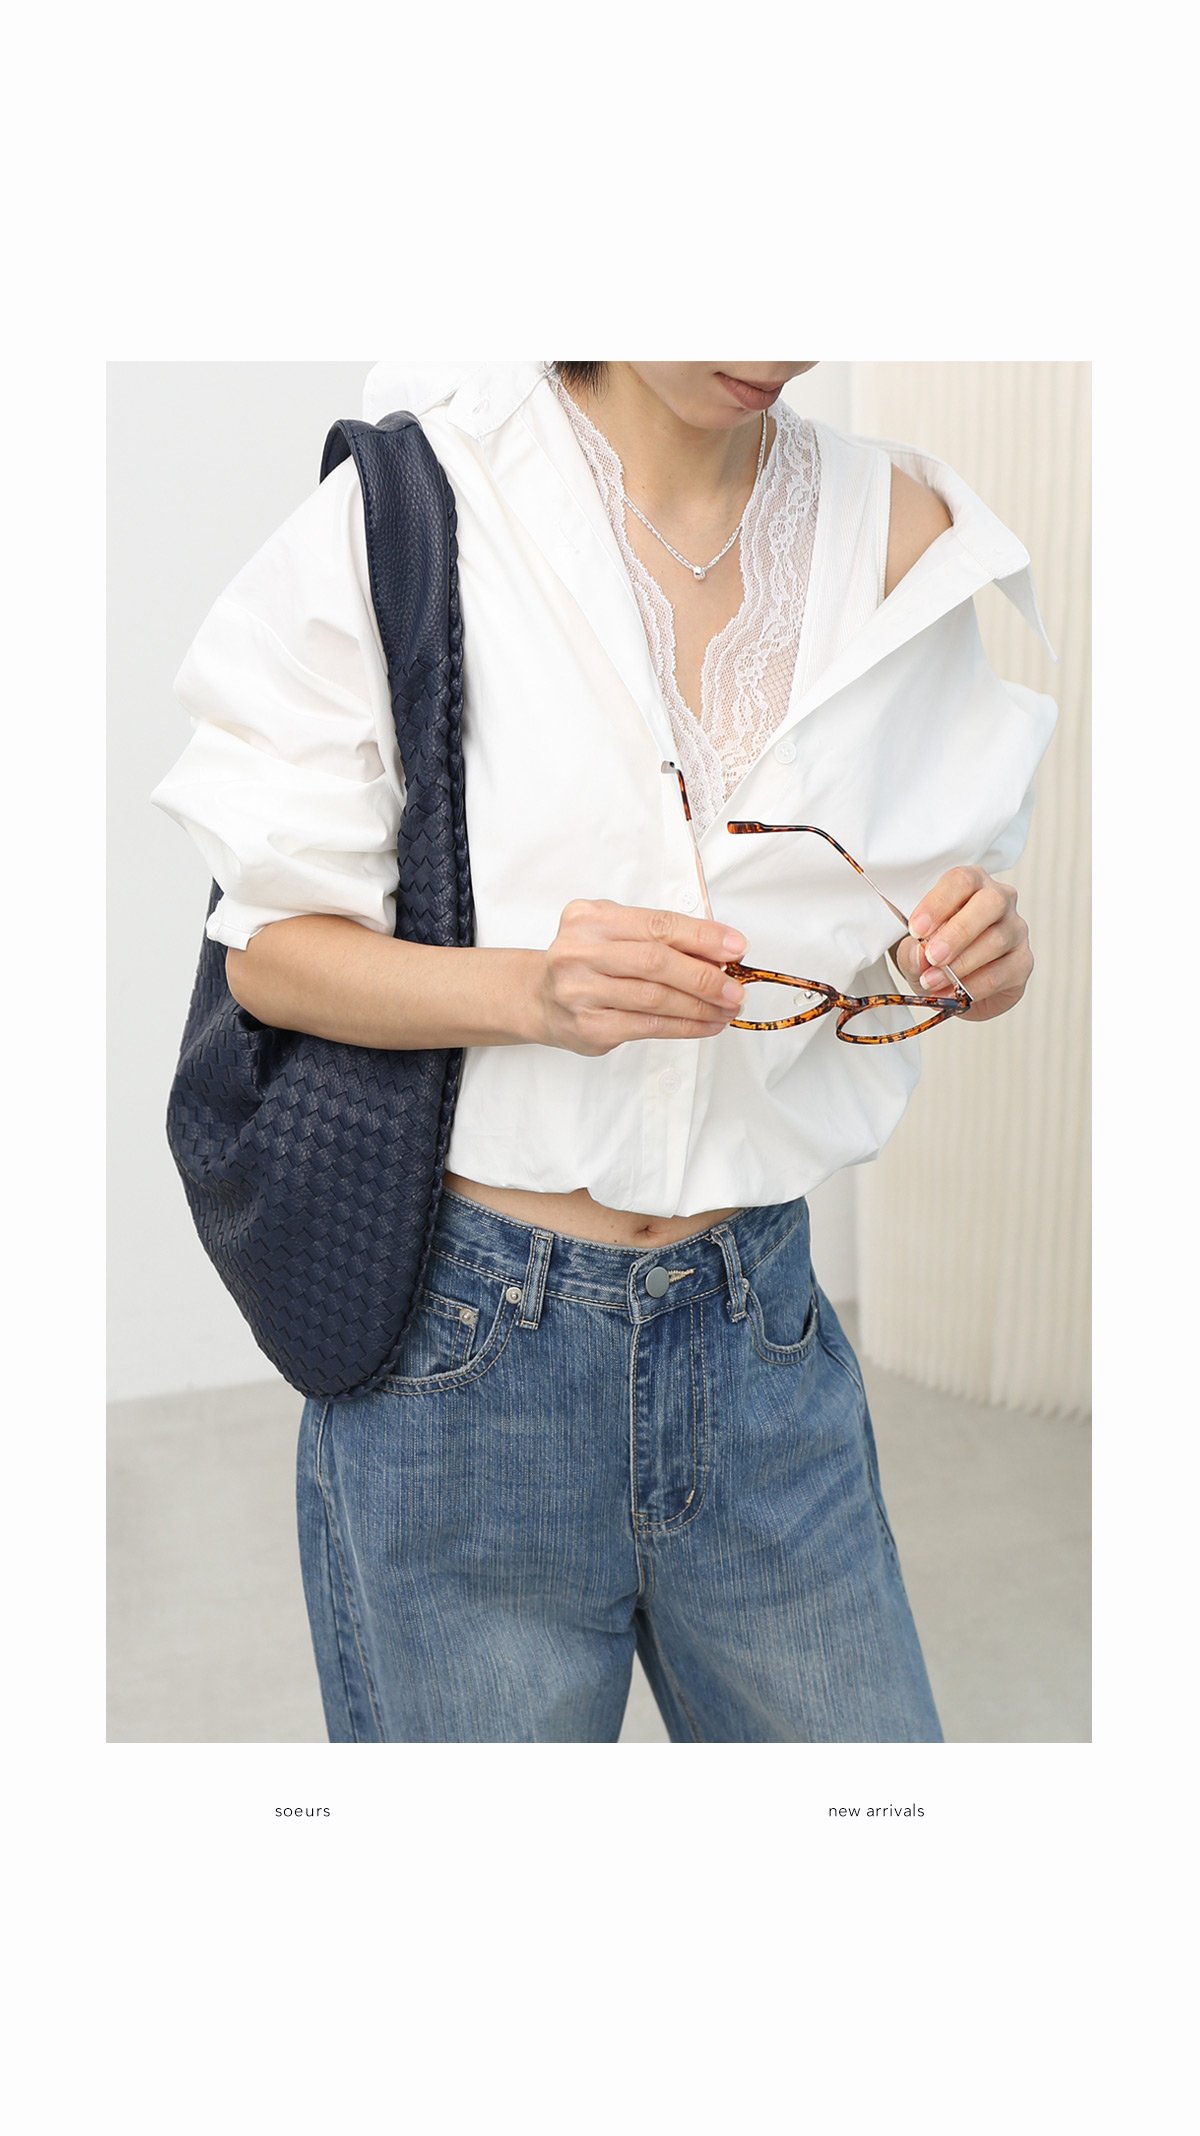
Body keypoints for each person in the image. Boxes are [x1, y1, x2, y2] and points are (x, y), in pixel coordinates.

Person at [151, 359, 1058, 1743]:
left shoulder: (898, 532)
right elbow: (269, 956)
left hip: (759, 1332)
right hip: (465, 1358)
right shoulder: (419, 506)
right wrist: (535, 993)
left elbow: (890, 931)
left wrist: (967, 962)